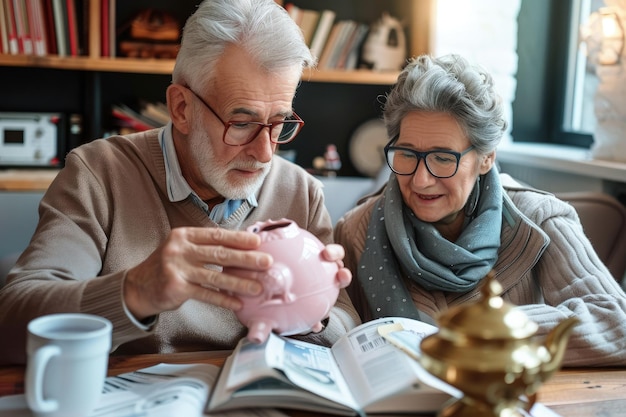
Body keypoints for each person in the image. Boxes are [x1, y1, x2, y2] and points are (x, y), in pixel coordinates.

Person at [0, 0, 360, 364]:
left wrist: (315, 308)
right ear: (181, 109)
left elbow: (346, 328)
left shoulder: (301, 192)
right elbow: (12, 326)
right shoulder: (98, 173)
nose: (266, 153)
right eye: (242, 123)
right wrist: (134, 293)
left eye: (279, 122)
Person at [334, 54, 626, 367]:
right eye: (407, 154)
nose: (420, 180)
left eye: (443, 158)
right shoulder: (357, 229)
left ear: (485, 158)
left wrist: (481, 332)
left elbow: (615, 322)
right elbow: (343, 334)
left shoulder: (541, 219)